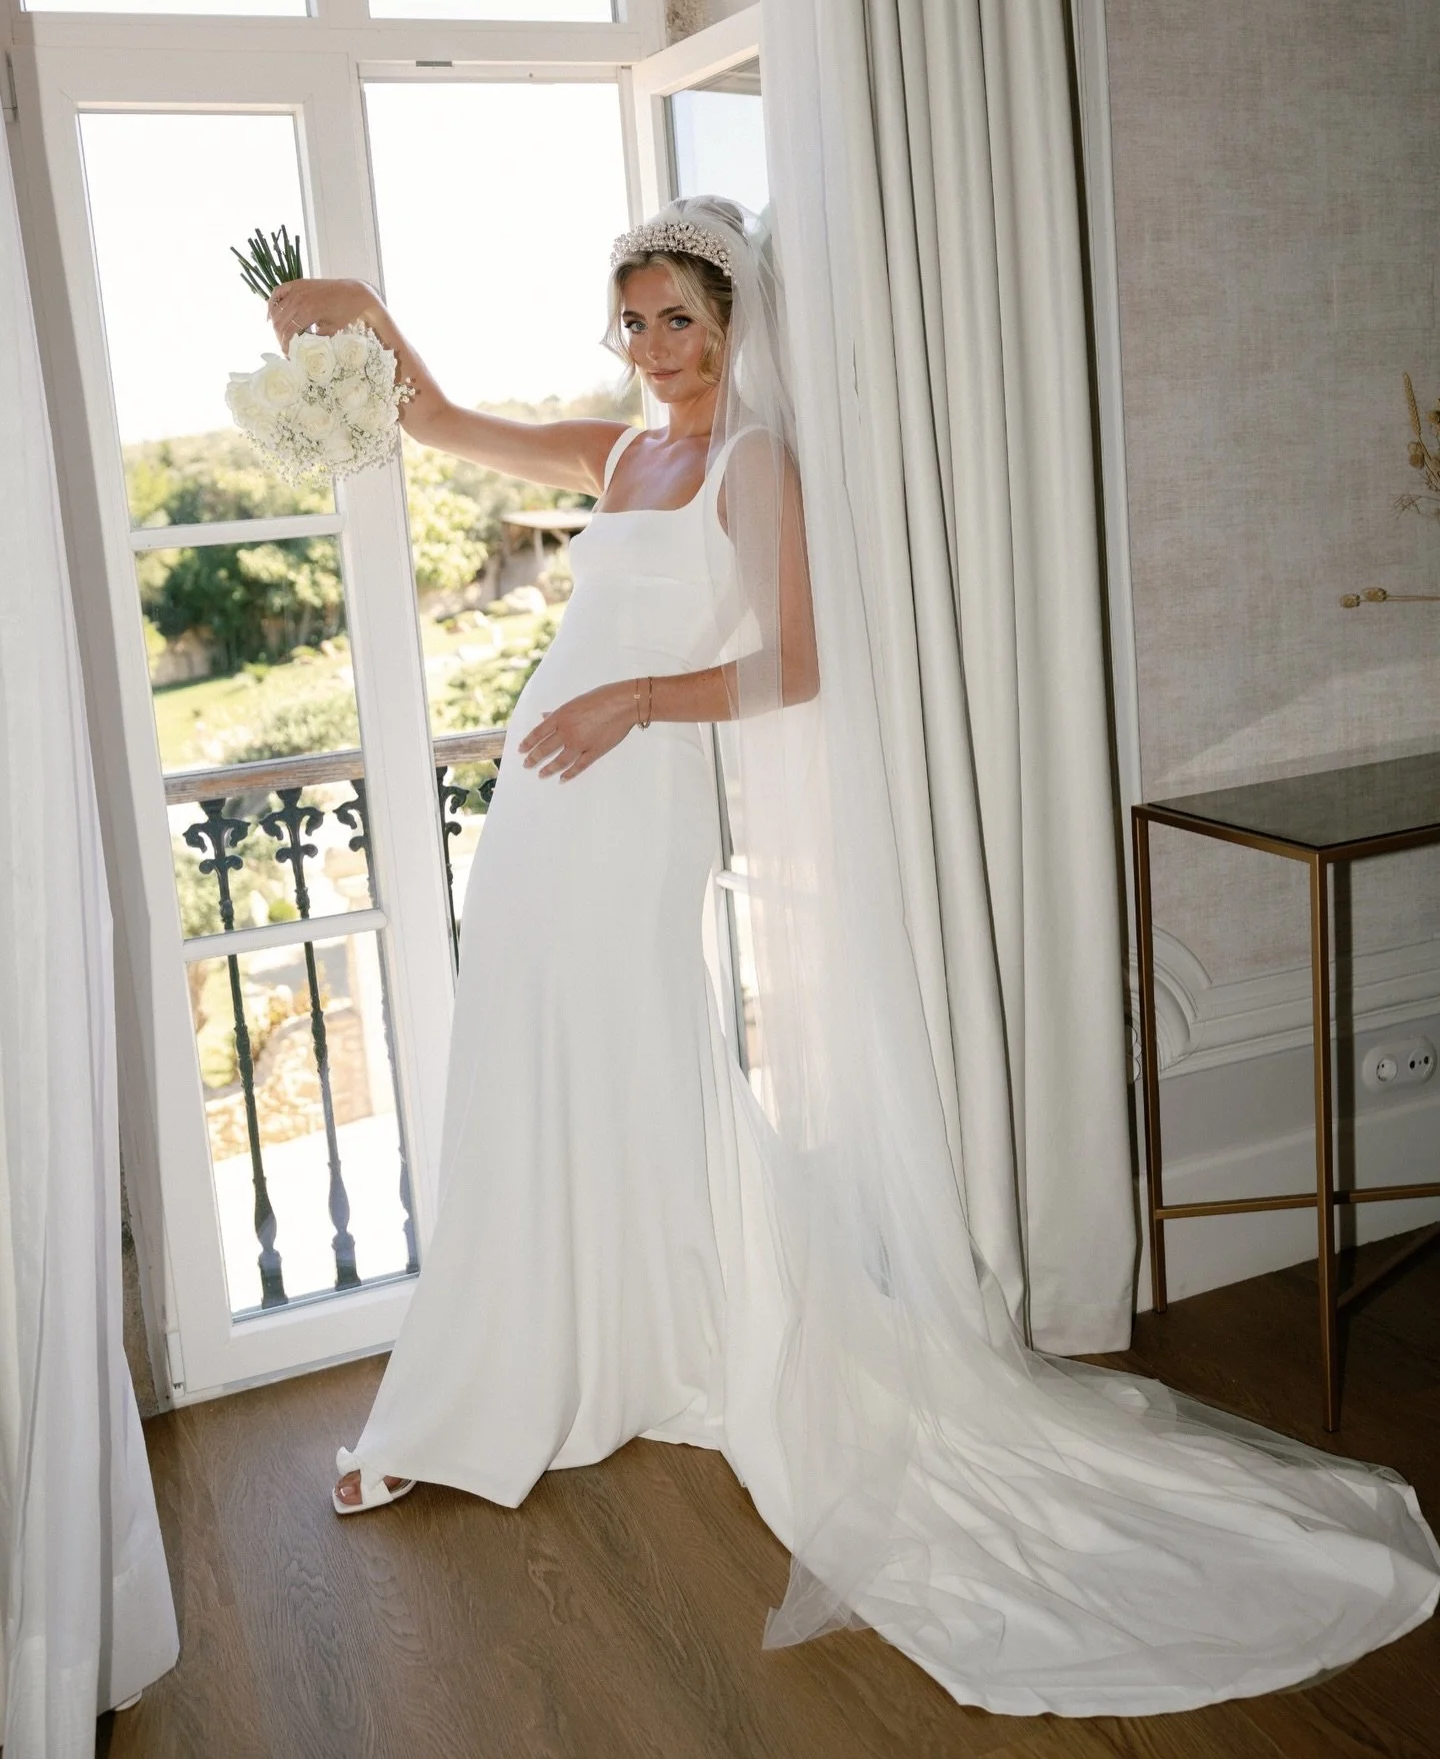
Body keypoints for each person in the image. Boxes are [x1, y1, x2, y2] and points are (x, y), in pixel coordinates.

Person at [268, 198, 1440, 1718]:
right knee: (531, 1067)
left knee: (617, 1055)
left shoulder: (752, 463)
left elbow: (796, 664)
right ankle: (570, 1351)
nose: (655, 347)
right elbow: (435, 423)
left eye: (680, 319)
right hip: (544, 813)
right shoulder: (616, 454)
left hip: (635, 801)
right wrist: (353, 318)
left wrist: (631, 701)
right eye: (634, 321)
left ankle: (489, 1389)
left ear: (733, 321)